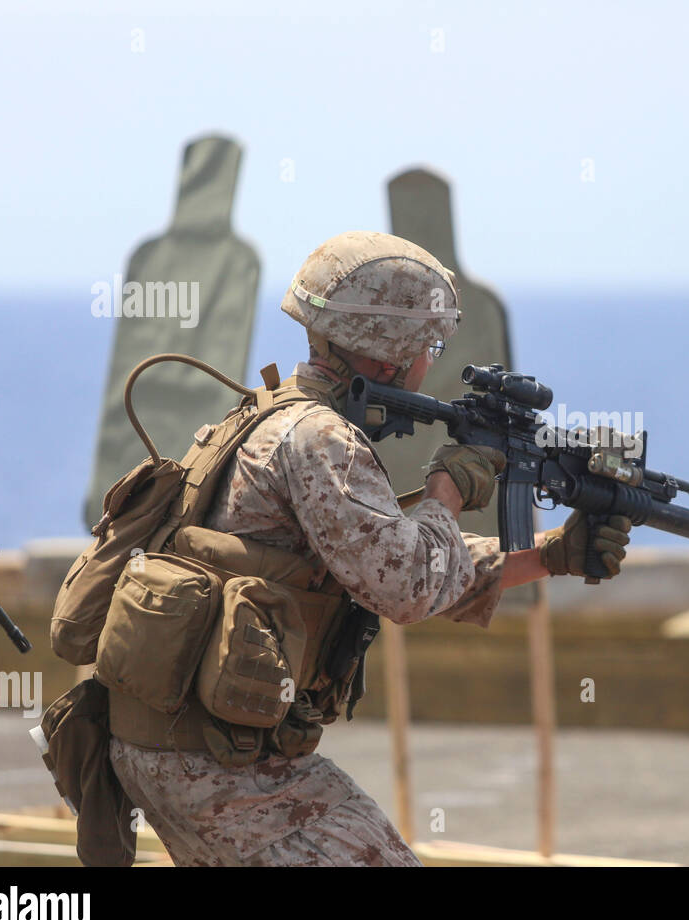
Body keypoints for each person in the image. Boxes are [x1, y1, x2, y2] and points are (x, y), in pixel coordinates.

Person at [106, 231, 631, 866]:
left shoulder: (272, 414)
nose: (429, 363)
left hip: (180, 742)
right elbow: (408, 586)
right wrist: (448, 489)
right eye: (428, 346)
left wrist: (551, 554)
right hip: (216, 760)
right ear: (389, 354)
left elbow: (393, 562)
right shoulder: (321, 439)